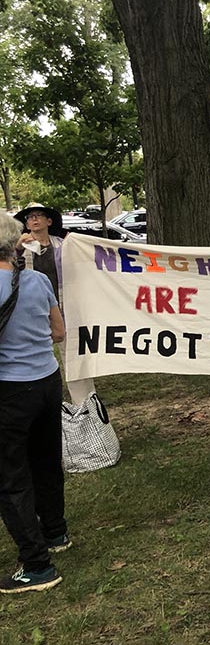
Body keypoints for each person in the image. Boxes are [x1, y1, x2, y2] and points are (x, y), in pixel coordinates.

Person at [0, 212, 70, 594]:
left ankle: (37, 565)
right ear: (16, 244)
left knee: (11, 477)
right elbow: (58, 331)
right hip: (46, 380)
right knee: (45, 461)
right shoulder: (37, 279)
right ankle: (56, 532)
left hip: (9, 390)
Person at [14, 203, 96, 407]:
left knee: (74, 358)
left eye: (38, 215)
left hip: (64, 309)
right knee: (34, 359)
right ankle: (35, 404)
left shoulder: (64, 245)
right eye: (29, 217)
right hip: (32, 313)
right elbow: (11, 273)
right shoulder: (20, 248)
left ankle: (86, 405)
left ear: (48, 221)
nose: (33, 219)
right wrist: (16, 248)